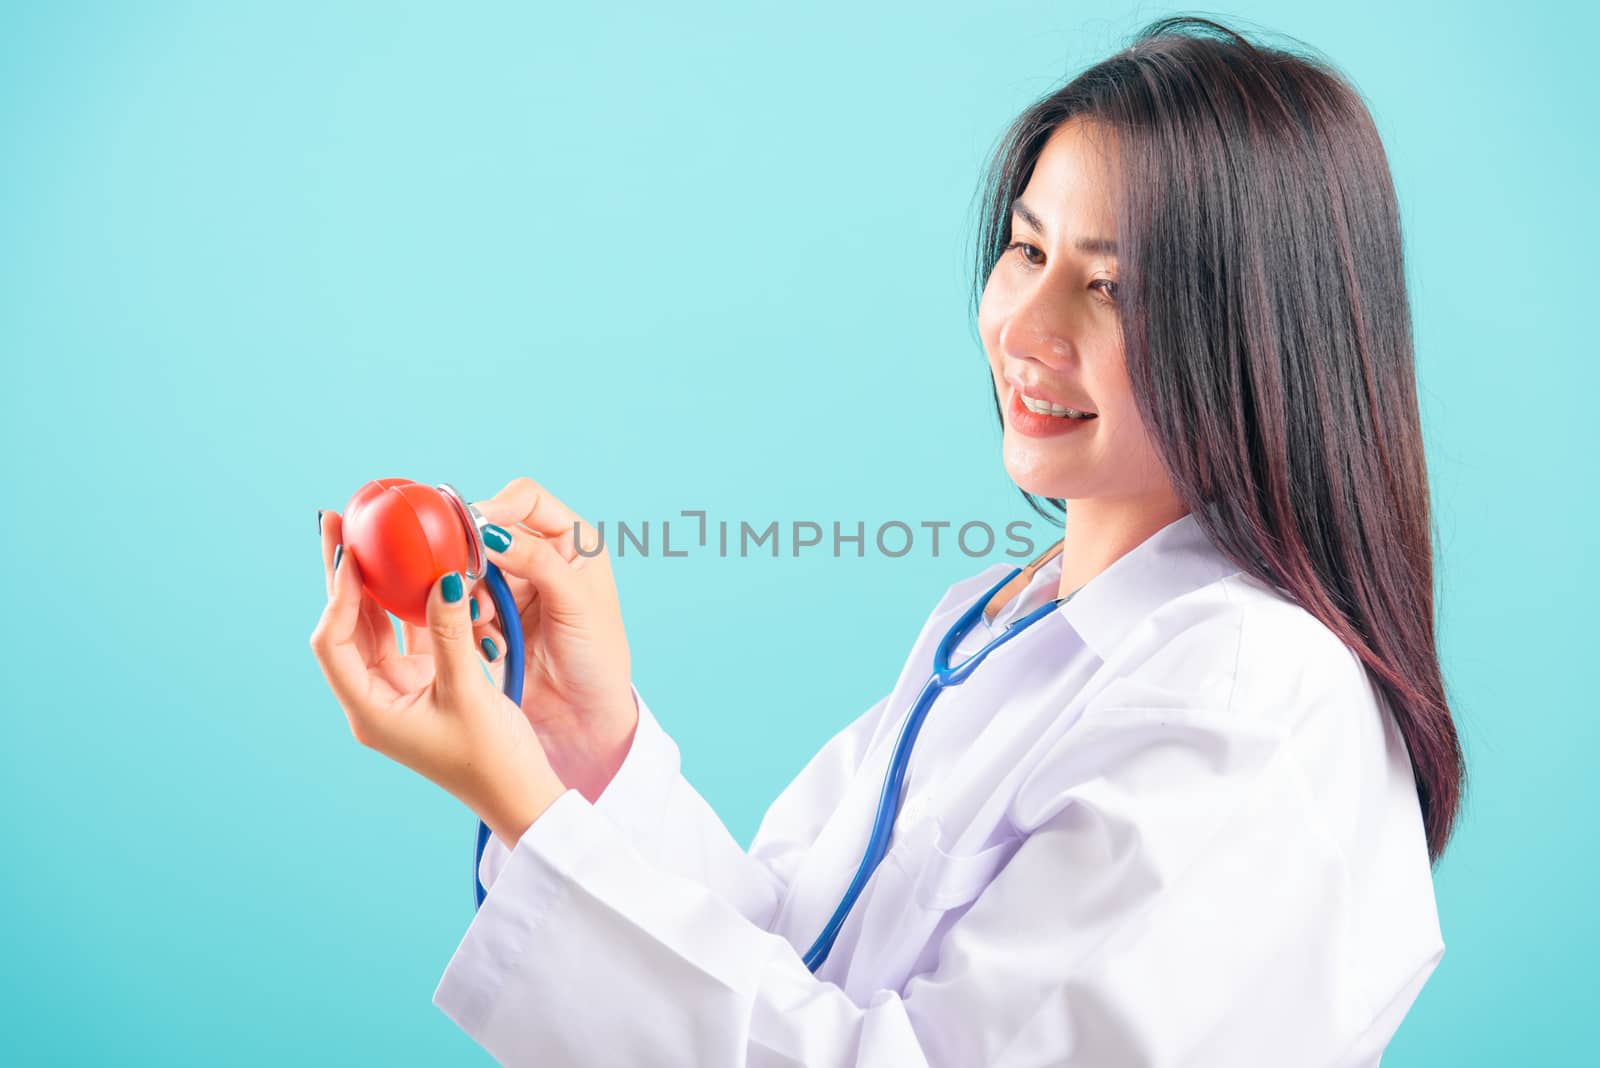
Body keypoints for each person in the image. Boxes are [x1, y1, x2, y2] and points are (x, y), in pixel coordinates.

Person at [310, 15, 1464, 1066]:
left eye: (1111, 287)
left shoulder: (1250, 701)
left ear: (1256, 334)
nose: (1028, 324)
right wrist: (581, 745)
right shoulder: (998, 620)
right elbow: (798, 961)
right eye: (1026, 251)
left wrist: (533, 814)